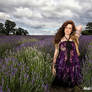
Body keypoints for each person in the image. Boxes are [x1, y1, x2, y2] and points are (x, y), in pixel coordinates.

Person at [51, 20, 83, 90]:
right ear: (63, 28)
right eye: (66, 28)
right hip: (62, 64)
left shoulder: (75, 38)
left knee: (72, 84)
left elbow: (80, 26)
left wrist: (73, 27)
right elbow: (56, 53)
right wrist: (53, 66)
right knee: (61, 85)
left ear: (72, 30)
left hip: (73, 63)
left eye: (70, 28)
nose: (67, 30)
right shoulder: (59, 40)